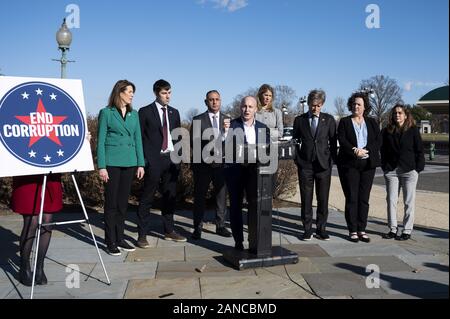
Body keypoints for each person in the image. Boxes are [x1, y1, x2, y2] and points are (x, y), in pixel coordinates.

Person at [97, 80, 145, 256]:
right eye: (130, 91)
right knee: (111, 204)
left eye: (133, 91)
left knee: (123, 204)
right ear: (120, 92)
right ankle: (110, 241)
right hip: (112, 163)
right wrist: (102, 166)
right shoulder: (106, 113)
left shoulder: (135, 114)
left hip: (130, 162)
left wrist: (141, 163)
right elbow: (100, 141)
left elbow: (138, 140)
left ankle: (120, 237)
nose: (132, 94)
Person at [136, 79, 186, 247]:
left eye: (169, 92)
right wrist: (143, 161)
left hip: (171, 161)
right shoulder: (144, 112)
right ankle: (142, 234)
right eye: (164, 93)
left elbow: (178, 137)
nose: (168, 96)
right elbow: (139, 139)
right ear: (156, 93)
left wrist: (178, 160)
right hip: (153, 161)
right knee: (147, 197)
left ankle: (169, 230)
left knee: (169, 197)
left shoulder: (174, 112)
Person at [224, 96, 270, 251]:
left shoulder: (264, 128)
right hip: (235, 172)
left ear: (256, 109)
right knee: (235, 207)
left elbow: (268, 152)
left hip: (255, 174)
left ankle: (253, 240)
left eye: (251, 107)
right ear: (240, 107)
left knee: (254, 206)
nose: (247, 109)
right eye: (244, 106)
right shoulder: (231, 126)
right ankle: (238, 242)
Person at [293, 89, 337, 241]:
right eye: (312, 105)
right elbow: (295, 141)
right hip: (305, 166)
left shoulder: (329, 120)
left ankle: (321, 228)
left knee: (323, 198)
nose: (315, 108)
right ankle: (307, 229)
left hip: (324, 165)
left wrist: (331, 161)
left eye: (318, 105)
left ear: (322, 105)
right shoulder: (300, 120)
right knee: (306, 198)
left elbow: (333, 142)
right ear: (308, 104)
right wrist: (297, 159)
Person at [337, 92, 381, 243]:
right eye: (354, 104)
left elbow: (377, 140)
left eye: (359, 104)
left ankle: (362, 229)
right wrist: (354, 150)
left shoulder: (372, 122)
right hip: (350, 165)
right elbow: (342, 139)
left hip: (368, 165)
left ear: (365, 107)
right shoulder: (344, 121)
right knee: (352, 198)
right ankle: (353, 230)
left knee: (364, 198)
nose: (356, 106)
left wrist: (366, 149)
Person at [190, 90, 232, 240]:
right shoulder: (198, 119)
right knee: (200, 196)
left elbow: (232, 144)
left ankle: (221, 226)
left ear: (220, 101)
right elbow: (193, 144)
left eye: (217, 99)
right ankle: (197, 227)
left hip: (221, 166)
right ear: (206, 102)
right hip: (203, 165)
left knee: (221, 196)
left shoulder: (228, 120)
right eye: (211, 100)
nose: (214, 102)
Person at [381, 104, 425, 241]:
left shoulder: (413, 130)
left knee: (408, 202)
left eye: (400, 113)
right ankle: (393, 229)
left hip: (409, 170)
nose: (397, 115)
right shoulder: (386, 131)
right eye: (395, 113)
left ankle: (407, 230)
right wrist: (385, 167)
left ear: (406, 115)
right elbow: (382, 150)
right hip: (392, 171)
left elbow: (419, 150)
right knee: (391, 200)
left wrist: (417, 169)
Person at [11, 174, 63, 286]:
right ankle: (24, 267)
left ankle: (39, 267)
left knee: (47, 221)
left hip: (50, 172)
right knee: (31, 221)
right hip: (28, 173)